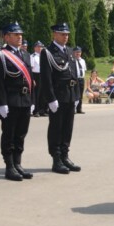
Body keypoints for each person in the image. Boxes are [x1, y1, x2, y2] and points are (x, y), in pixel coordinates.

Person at [0, 22, 34, 181]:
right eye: (16, 35)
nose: (20, 37)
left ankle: (18, 163)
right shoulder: (1, 55)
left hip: (25, 100)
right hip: (10, 101)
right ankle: (9, 166)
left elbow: (30, 81)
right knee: (9, 134)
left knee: (21, 134)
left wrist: (32, 100)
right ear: (7, 37)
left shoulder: (25, 55)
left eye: (20, 34)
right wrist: (1, 103)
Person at [40, 23, 81, 174]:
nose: (66, 37)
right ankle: (56, 158)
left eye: (67, 34)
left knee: (67, 127)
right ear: (55, 35)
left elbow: (74, 74)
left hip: (70, 95)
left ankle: (65, 155)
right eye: (62, 34)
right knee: (56, 128)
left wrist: (77, 95)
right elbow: (46, 78)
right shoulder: (48, 52)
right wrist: (51, 98)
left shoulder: (70, 51)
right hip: (58, 96)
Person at [30, 41, 45, 117]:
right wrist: (32, 79)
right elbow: (31, 69)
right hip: (36, 76)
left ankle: (42, 110)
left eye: (41, 47)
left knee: (43, 93)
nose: (40, 48)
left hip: (43, 75)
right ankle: (36, 111)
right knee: (37, 94)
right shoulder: (32, 56)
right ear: (35, 48)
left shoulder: (43, 56)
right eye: (38, 47)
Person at [74, 46, 87, 113]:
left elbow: (84, 70)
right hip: (75, 79)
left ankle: (79, 108)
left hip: (81, 79)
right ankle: (74, 108)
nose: (78, 53)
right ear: (74, 53)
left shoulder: (83, 61)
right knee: (75, 94)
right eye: (76, 52)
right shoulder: (73, 60)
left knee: (81, 95)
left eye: (79, 52)